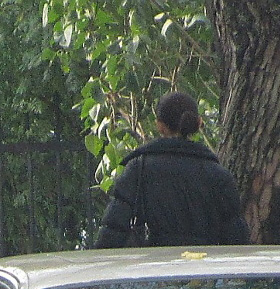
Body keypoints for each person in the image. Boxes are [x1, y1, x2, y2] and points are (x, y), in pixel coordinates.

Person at [93, 91, 250, 248]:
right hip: (203, 268)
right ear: (198, 123)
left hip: (152, 267)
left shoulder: (138, 168)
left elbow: (113, 229)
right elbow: (235, 237)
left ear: (159, 126)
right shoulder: (218, 174)